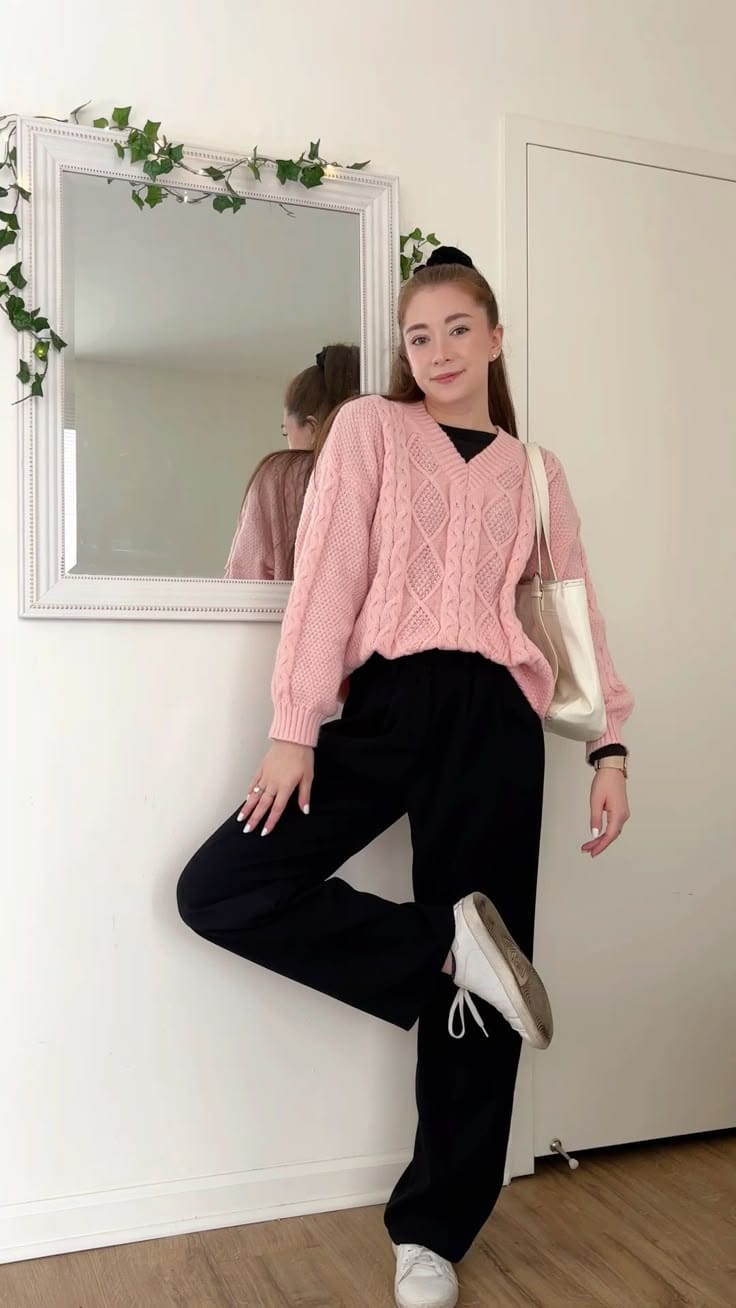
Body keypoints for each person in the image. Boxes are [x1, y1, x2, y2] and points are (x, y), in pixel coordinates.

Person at [178, 246, 633, 1308]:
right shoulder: (371, 429)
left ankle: (433, 1231)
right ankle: (445, 948)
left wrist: (608, 743)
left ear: (495, 337)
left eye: (457, 329)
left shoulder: (535, 471)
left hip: (498, 720)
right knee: (223, 887)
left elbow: (572, 608)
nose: (437, 351)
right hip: (387, 704)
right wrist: (295, 724)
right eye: (418, 335)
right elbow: (328, 574)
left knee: (486, 998)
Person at [224, 343, 361, 580]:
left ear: (312, 427)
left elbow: (245, 576)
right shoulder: (375, 470)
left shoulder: (280, 475)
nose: (288, 442)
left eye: (286, 432)